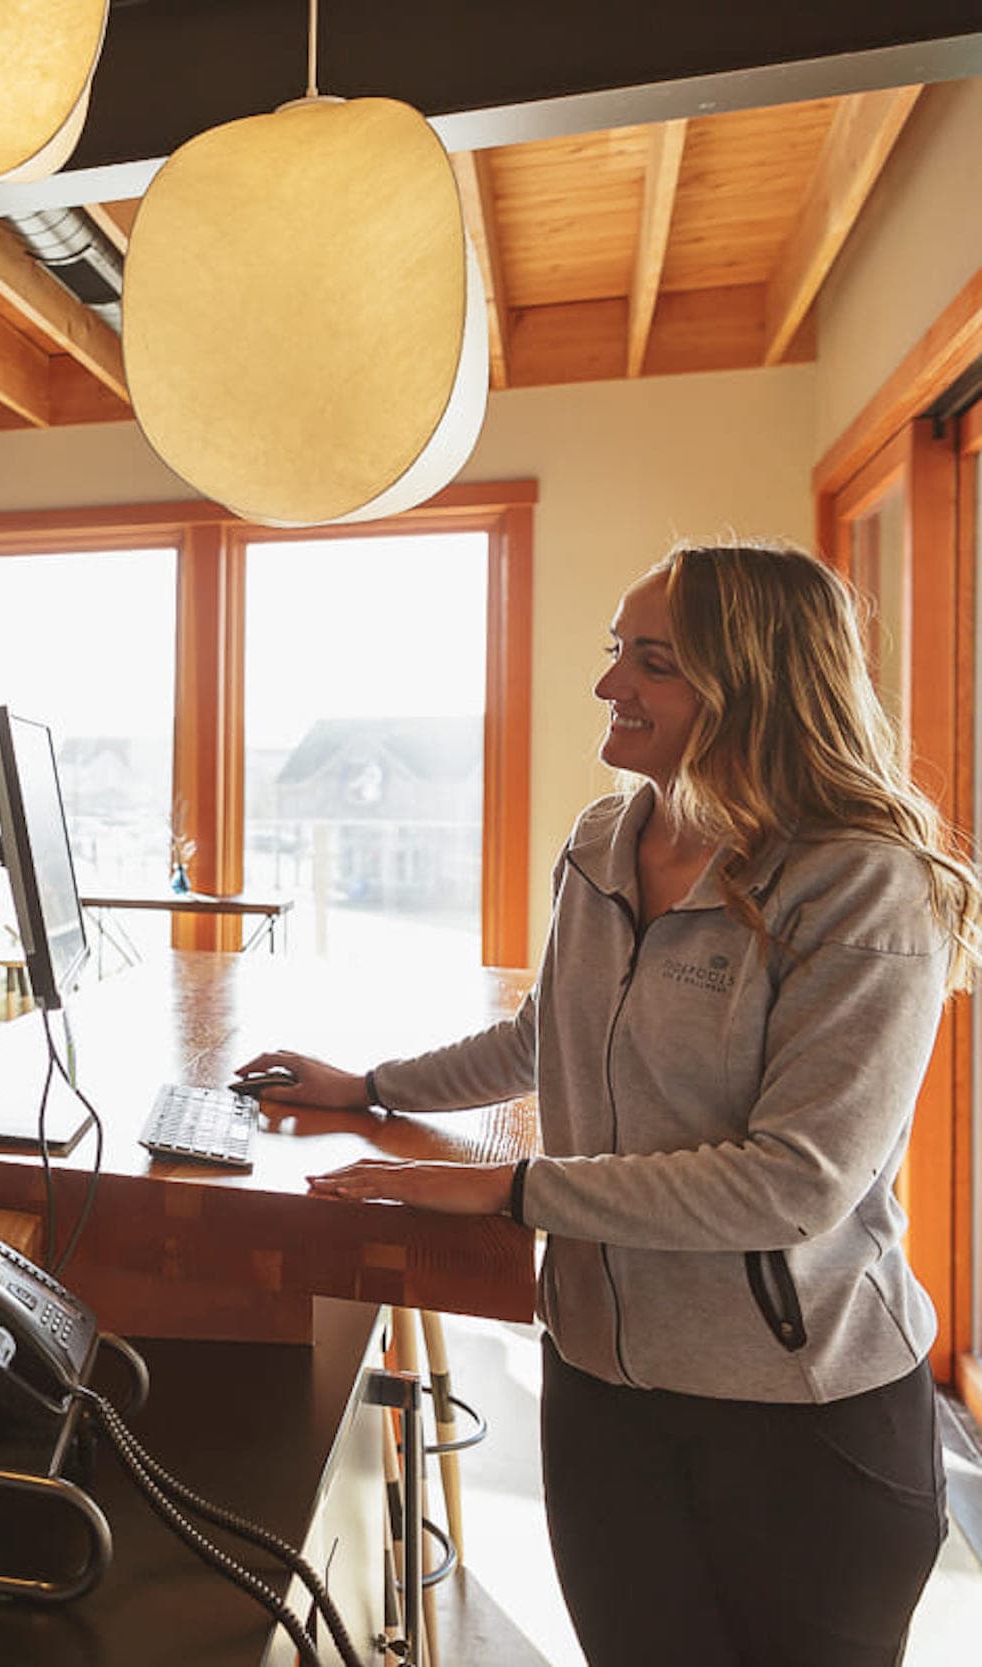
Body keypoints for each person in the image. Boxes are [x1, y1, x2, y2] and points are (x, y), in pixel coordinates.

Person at [238, 542, 972, 1667]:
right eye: (614, 651)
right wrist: (371, 1086)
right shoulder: (600, 842)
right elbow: (548, 1036)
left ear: (755, 685)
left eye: (652, 661)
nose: (607, 683)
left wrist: (511, 1189)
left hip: (799, 1411)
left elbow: (797, 1179)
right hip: (598, 1385)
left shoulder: (862, 882)